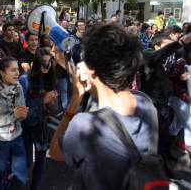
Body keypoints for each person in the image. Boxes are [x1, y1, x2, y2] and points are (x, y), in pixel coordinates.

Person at [49, 24, 157, 189]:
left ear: (92, 71)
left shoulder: (84, 125)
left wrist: (75, 101)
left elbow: (55, 152)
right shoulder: (146, 103)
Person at [139, 33, 191, 181]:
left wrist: (177, 78)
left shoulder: (163, 62)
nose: (171, 50)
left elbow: (166, 78)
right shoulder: (148, 56)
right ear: (157, 47)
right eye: (168, 45)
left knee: (162, 138)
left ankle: (162, 167)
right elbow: (160, 54)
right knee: (152, 140)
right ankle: (152, 170)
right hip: (152, 104)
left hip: (163, 103)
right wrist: (180, 42)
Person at [0, 56, 28, 190]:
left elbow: (22, 116)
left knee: (21, 178)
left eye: (18, 70)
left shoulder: (18, 87)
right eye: (13, 70)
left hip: (17, 137)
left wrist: (23, 114)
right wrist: (13, 115)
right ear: (2, 73)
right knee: (0, 179)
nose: (17, 73)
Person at [19, 49, 57, 190]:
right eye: (43, 61)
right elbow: (21, 109)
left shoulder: (49, 79)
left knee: (41, 162)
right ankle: (10, 176)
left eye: (49, 61)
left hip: (41, 127)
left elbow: (52, 109)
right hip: (26, 128)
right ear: (36, 62)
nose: (46, 65)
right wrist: (42, 101)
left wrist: (51, 103)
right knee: (27, 163)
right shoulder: (24, 80)